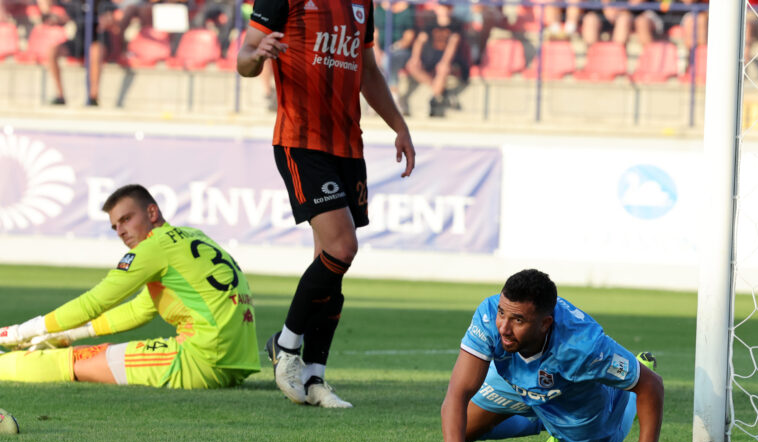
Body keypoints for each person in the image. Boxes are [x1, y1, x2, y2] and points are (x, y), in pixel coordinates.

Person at [237, 0, 415, 407]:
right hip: (301, 141)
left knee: (331, 266)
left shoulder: (362, 4)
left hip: (348, 146)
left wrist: (399, 126)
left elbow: (368, 71)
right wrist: (259, 55)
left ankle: (314, 375)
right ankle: (286, 345)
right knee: (342, 247)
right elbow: (244, 60)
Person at [0, 184, 260, 389]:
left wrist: (20, 332)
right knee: (93, 353)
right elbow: (140, 310)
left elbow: (94, 303)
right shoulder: (192, 236)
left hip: (201, 361)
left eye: (126, 219)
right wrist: (68, 335)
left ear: (152, 213)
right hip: (234, 362)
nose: (121, 232)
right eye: (115, 226)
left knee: (77, 360)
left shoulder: (154, 248)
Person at [439, 269, 664, 442]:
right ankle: (546, 420)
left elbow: (651, 385)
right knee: (462, 429)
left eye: (518, 320)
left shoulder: (584, 347)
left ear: (545, 324)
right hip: (516, 379)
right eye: (502, 313)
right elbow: (458, 391)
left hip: (575, 394)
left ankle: (630, 383)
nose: (504, 328)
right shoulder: (489, 315)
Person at [42, 0, 117, 106]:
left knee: (94, 50)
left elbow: (112, 18)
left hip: (98, 39)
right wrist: (55, 19)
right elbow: (66, 18)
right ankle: (60, 96)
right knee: (52, 50)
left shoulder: (102, 2)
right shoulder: (76, 2)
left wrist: (106, 21)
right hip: (79, 41)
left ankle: (93, 97)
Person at [405, 1, 468, 117]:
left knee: (442, 69)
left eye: (447, 7)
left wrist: (445, 61)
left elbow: (453, 45)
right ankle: (440, 94)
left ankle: (435, 101)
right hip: (431, 58)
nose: (445, 10)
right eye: (443, 7)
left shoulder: (456, 25)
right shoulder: (430, 25)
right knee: (412, 66)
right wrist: (415, 58)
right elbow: (419, 41)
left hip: (450, 60)